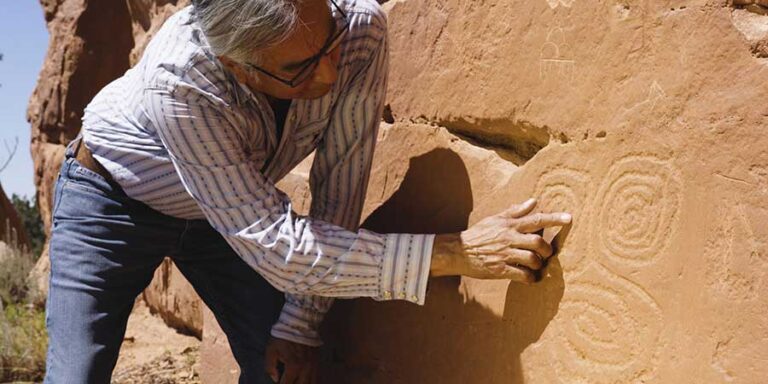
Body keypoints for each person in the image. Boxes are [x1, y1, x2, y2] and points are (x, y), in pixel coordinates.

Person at [43, 0, 572, 383]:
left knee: (282, 369)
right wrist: (456, 252)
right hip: (111, 201)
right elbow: (280, 247)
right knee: (77, 372)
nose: (330, 71)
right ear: (236, 66)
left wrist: (299, 324)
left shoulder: (357, 30)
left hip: (226, 211)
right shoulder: (181, 81)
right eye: (299, 69)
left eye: (328, 43)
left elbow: (341, 181)